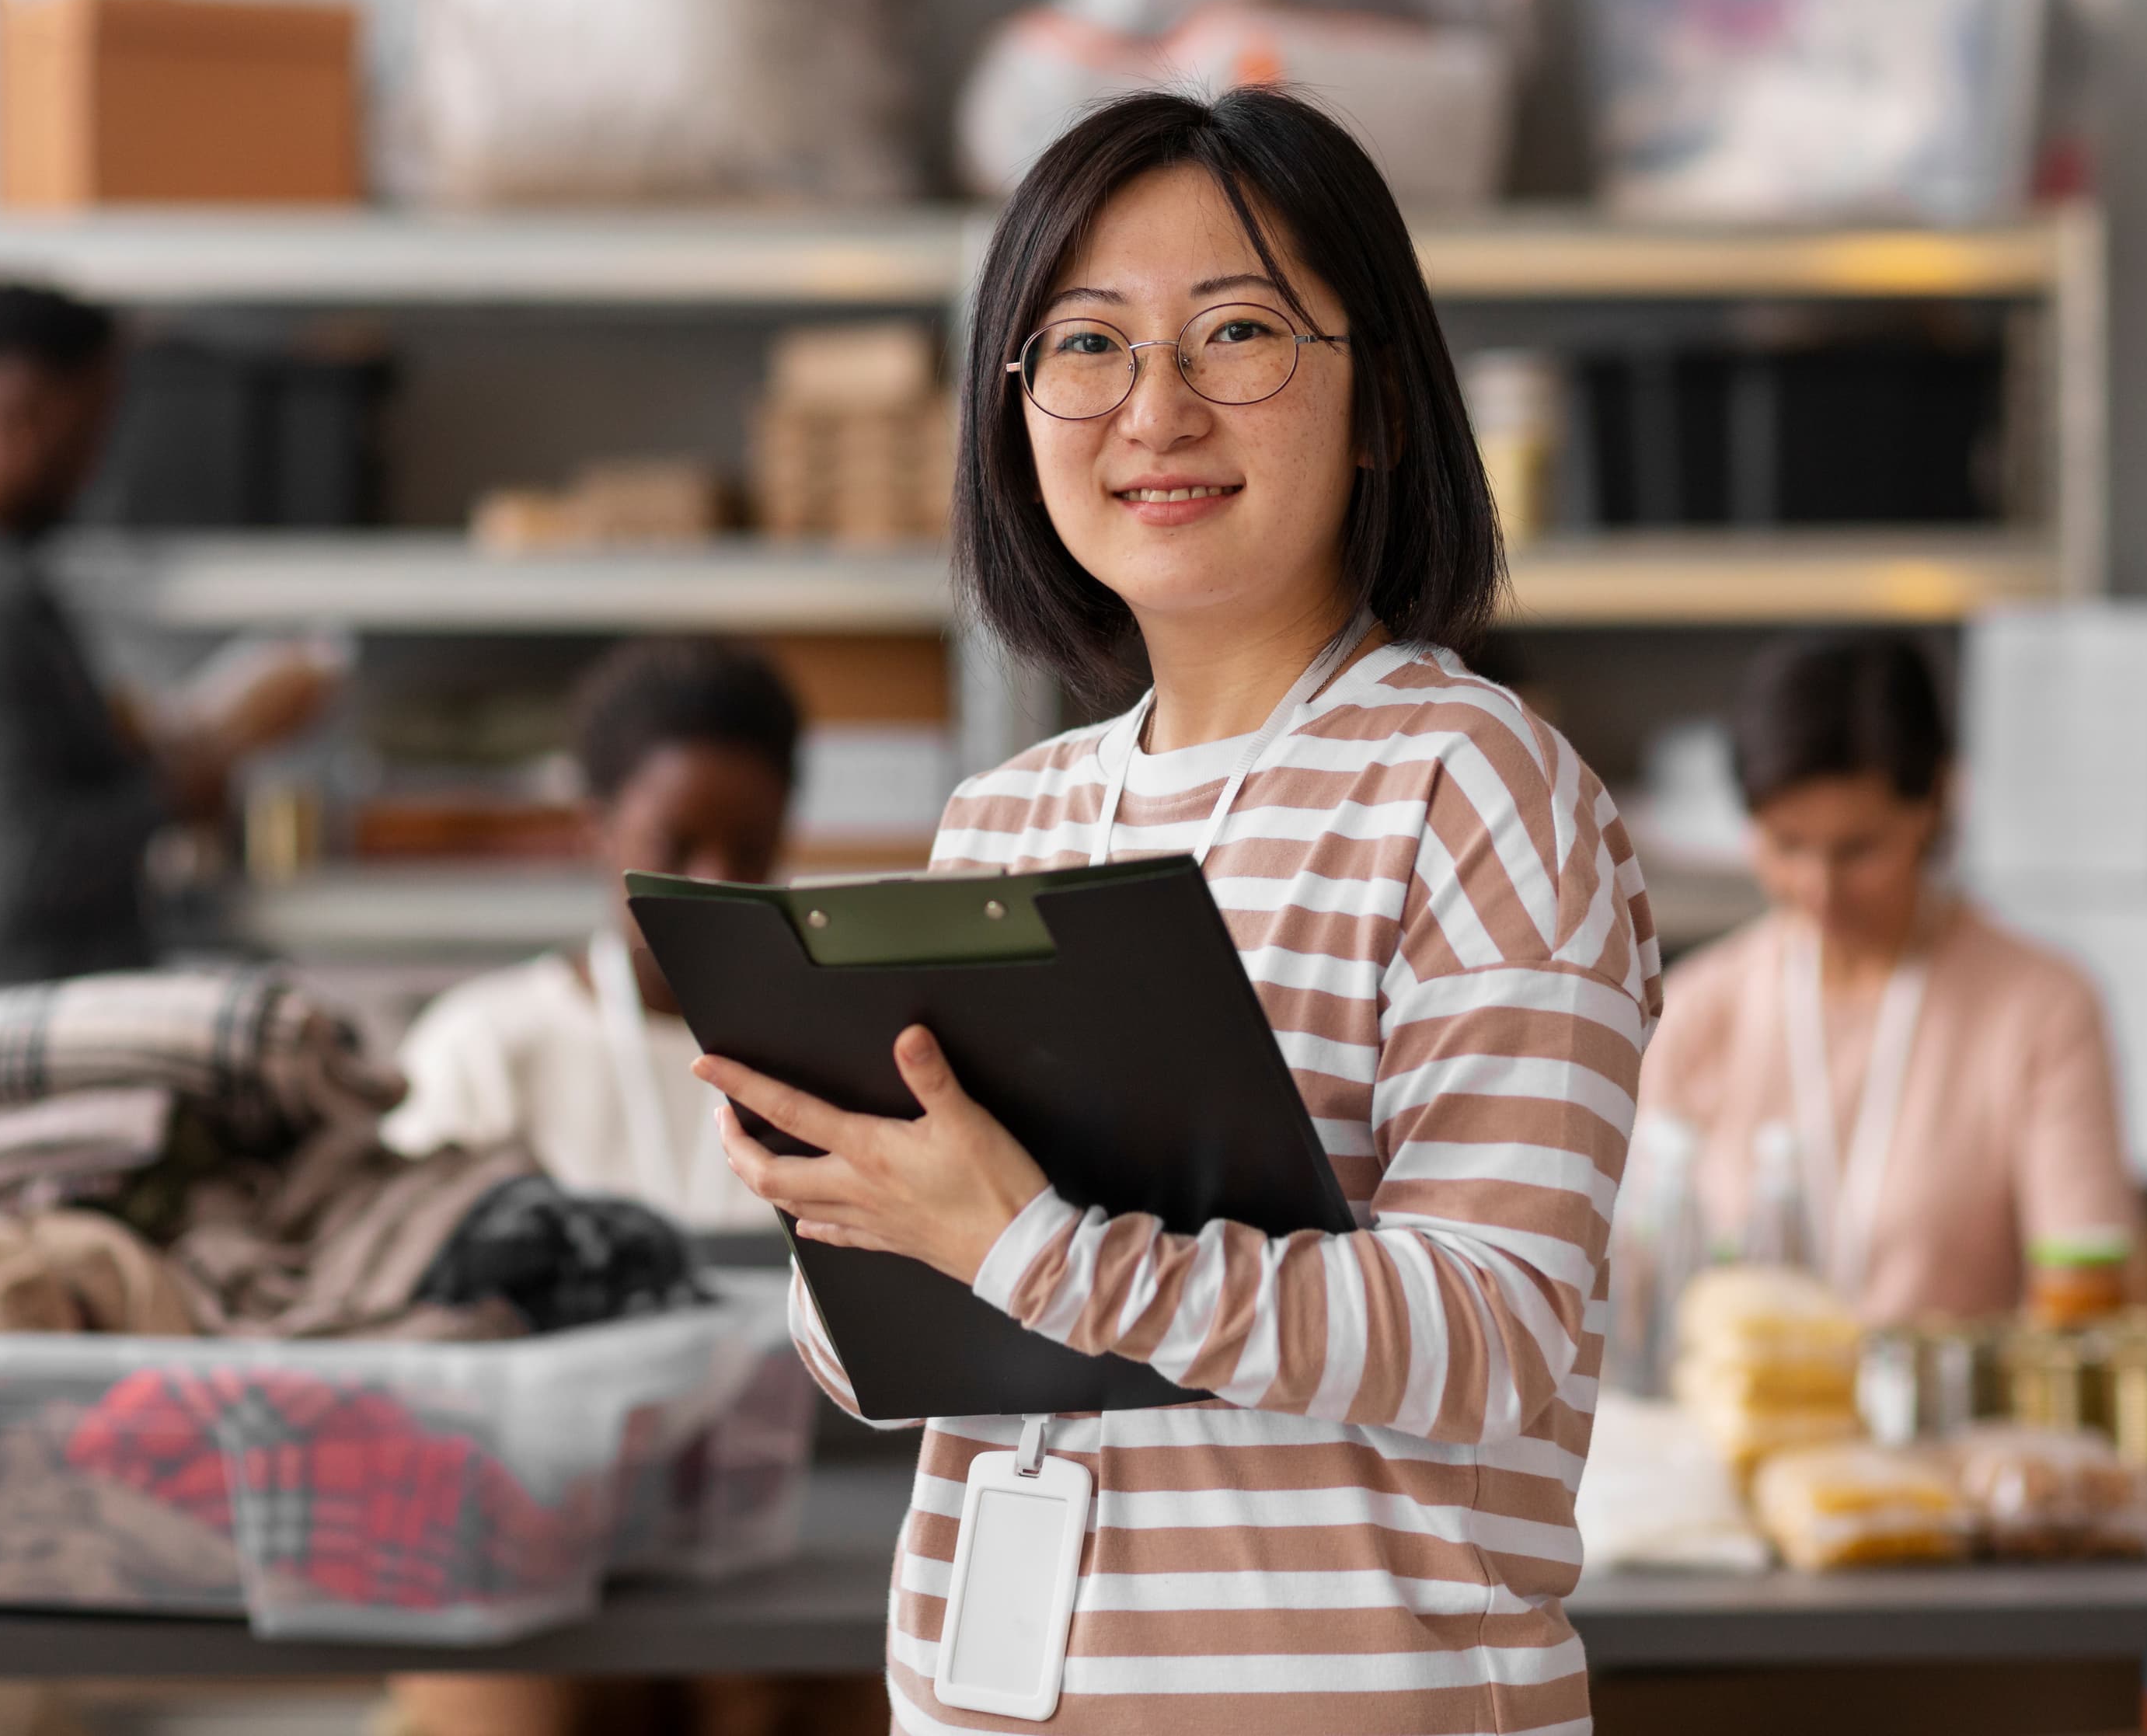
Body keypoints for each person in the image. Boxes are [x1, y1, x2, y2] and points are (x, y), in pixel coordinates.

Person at [695, 89, 1658, 1734]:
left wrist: (1029, 1247)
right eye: (1086, 344)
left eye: (1239, 333)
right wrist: (846, 1219)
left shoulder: (1475, 781)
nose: (1156, 409)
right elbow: (885, 1372)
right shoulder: (1007, 818)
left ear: (1382, 404)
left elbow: (1491, 1334)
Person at [1634, 633, 2140, 1326]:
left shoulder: (2041, 1009)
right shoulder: (1699, 1010)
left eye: (1858, 849)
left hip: (1951, 1396)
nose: (1819, 887)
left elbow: (2083, 1295)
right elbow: (1641, 1283)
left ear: (1936, 803)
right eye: (1787, 844)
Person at [0, 281, 333, 995]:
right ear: (30, 419)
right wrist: (186, 782)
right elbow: (19, 859)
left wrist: (159, 741)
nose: (98, 462)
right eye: (93, 424)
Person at [382, 636, 792, 1232]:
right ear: (596, 829)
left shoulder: (822, 1060)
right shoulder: (483, 1050)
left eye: (752, 849)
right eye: (675, 846)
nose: (716, 882)